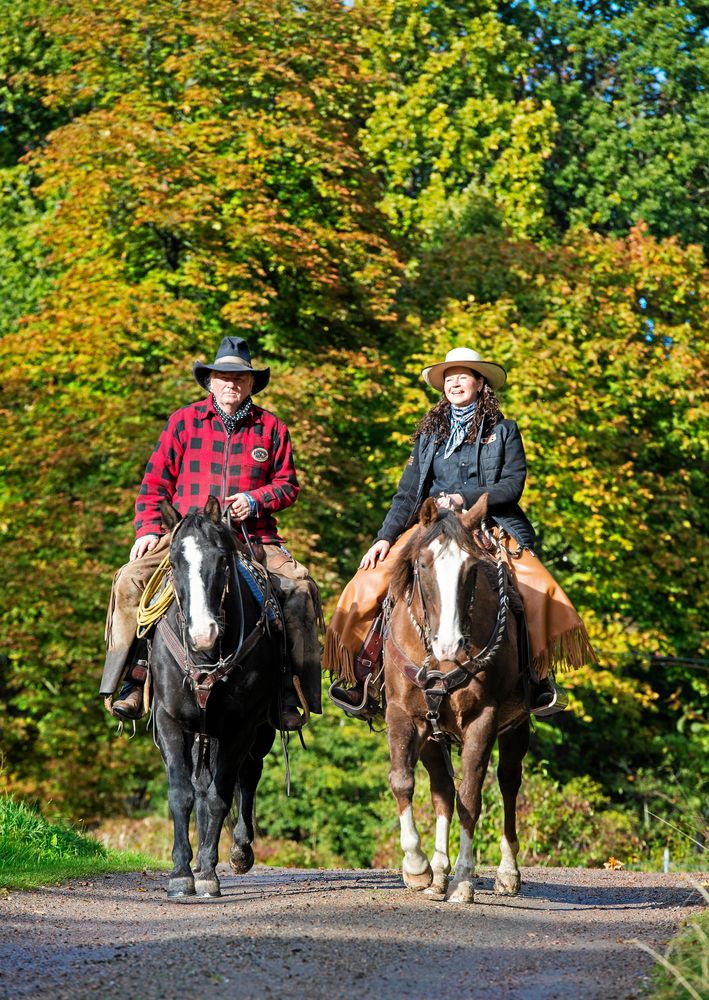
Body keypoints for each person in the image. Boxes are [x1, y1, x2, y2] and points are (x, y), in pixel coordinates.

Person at [325, 347, 596, 715]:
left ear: (480, 383)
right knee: (368, 581)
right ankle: (361, 676)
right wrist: (384, 538)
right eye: (448, 377)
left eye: (462, 376)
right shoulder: (427, 438)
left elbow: (512, 486)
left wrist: (463, 498)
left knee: (537, 588)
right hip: (430, 526)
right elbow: (407, 495)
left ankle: (536, 679)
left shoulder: (504, 432)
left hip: (487, 524)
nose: (454, 382)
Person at [100, 336, 322, 730]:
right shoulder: (183, 422)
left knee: (300, 590)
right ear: (210, 382)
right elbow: (155, 483)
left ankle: (291, 689)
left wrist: (254, 501)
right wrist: (148, 530)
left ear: (252, 383)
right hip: (187, 537)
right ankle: (131, 680)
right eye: (223, 377)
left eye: (239, 378)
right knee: (130, 580)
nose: (231, 385)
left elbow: (288, 485)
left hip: (252, 537)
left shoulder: (271, 428)